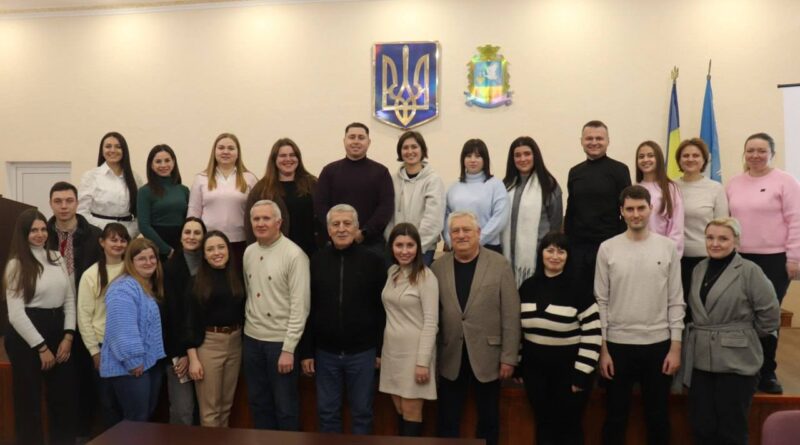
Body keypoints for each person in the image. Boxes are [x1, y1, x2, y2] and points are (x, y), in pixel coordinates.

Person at [594, 185, 685, 445]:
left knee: (658, 418)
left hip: (658, 345)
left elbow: (676, 300)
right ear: (621, 212)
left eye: (641, 208)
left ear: (651, 209)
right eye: (630, 209)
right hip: (617, 346)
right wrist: (603, 349)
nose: (636, 214)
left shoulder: (667, 248)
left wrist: (675, 348)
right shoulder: (607, 248)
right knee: (615, 418)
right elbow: (601, 301)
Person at [683, 218, 780, 445]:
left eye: (723, 238)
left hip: (737, 360)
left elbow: (770, 316)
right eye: (710, 237)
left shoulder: (750, 271)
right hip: (701, 360)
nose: (715, 243)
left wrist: (743, 335)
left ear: (736, 241)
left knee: (731, 430)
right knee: (701, 426)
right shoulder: (699, 269)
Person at [432, 211, 520, 445]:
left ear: (479, 233)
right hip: (450, 356)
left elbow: (511, 314)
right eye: (455, 231)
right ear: (449, 236)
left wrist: (509, 357)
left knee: (489, 420)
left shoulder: (499, 264)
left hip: (489, 357)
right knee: (447, 419)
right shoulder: (437, 268)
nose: (461, 235)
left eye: (466, 230)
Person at [299, 204, 387, 434]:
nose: (341, 229)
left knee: (362, 414)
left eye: (347, 224)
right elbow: (308, 308)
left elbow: (382, 309)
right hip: (325, 354)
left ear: (357, 228)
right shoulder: (316, 261)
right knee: (327, 414)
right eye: (335, 224)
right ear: (328, 230)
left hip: (363, 354)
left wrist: (380, 350)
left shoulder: (374, 262)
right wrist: (307, 351)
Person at [726, 132, 800, 394]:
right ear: (744, 153)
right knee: (741, 315)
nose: (755, 155)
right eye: (750, 150)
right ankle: (744, 368)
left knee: (767, 317)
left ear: (772, 154)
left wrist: (794, 257)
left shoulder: (785, 181)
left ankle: (767, 371)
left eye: (761, 151)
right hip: (740, 258)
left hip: (775, 259)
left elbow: (796, 220)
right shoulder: (734, 183)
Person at [518, 231, 601, 445]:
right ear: (541, 254)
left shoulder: (580, 289)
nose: (555, 256)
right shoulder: (527, 287)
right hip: (535, 375)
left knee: (568, 430)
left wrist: (581, 375)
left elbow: (592, 334)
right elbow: (518, 330)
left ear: (568, 256)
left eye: (561, 251)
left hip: (570, 377)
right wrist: (519, 364)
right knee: (544, 428)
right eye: (550, 250)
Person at [3, 209, 77, 445]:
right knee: (29, 401)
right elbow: (16, 314)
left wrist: (68, 336)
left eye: (43, 229)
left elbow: (69, 299)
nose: (40, 234)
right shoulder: (16, 265)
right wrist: (42, 347)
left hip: (58, 329)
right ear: (23, 233)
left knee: (63, 397)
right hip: (27, 336)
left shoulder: (57, 257)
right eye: (33, 230)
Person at [242, 200, 310, 431]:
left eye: (266, 218)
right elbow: (250, 294)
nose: (260, 223)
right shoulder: (249, 252)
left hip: (280, 344)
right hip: (252, 340)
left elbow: (300, 307)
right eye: (256, 219)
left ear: (279, 222)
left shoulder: (294, 255)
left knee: (285, 407)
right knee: (258, 403)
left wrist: (289, 349)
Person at [46, 181, 102, 438]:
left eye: (69, 200)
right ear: (51, 204)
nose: (64, 206)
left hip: (87, 315)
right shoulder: (42, 234)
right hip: (53, 315)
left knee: (86, 377)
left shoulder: (94, 235)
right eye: (58, 201)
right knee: (60, 379)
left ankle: (85, 431)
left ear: (77, 203)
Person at [380, 223, 439, 437]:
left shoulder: (426, 277)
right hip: (392, 353)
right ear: (391, 247)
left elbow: (431, 322)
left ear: (418, 248)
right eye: (399, 245)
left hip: (415, 355)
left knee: (411, 412)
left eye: (410, 245)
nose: (404, 251)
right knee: (399, 408)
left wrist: (423, 362)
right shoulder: (392, 272)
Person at [99, 238, 166, 421]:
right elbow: (121, 328)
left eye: (152, 257)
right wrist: (133, 360)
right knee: (136, 421)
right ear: (131, 261)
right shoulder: (123, 288)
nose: (148, 262)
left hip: (148, 363)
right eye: (142, 258)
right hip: (130, 368)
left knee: (144, 417)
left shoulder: (147, 285)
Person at [185, 231, 246, 427]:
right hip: (208, 345)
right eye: (210, 249)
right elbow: (189, 322)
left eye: (221, 247)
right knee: (210, 411)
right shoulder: (196, 281)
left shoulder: (237, 277)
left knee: (226, 407)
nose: (217, 252)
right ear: (203, 255)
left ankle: (222, 440)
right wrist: (193, 359)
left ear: (228, 250)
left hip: (235, 343)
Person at [564, 120, 631, 287]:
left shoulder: (620, 170)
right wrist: (567, 244)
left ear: (608, 141)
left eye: (599, 138)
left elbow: (627, 210)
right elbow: (571, 210)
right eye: (589, 138)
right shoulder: (575, 172)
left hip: (609, 245)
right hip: (578, 248)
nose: (594, 142)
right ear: (581, 141)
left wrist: (621, 243)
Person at [77, 223, 130, 427]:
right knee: (108, 404)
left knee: (129, 404)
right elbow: (84, 317)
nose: (118, 244)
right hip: (103, 346)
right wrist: (94, 351)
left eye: (123, 240)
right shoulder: (91, 275)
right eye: (113, 240)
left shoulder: (133, 269)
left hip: (130, 346)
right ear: (102, 242)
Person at [313, 122, 394, 258]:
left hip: (371, 245)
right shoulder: (329, 171)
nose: (356, 141)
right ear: (344, 141)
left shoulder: (381, 172)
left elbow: (386, 207)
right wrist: (338, 230)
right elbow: (320, 205)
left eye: (361, 138)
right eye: (352, 137)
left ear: (368, 142)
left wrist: (364, 232)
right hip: (336, 243)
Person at [674, 138, 729, 319]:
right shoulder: (671, 186)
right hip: (676, 259)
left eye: (696, 155)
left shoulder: (715, 188)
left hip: (706, 260)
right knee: (679, 311)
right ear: (679, 160)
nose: (690, 159)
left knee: (702, 310)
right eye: (685, 155)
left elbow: (723, 227)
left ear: (704, 160)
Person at [188, 132, 258, 269]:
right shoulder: (201, 179)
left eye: (231, 148)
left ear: (238, 153)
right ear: (214, 152)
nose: (225, 151)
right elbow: (193, 213)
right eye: (221, 148)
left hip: (240, 242)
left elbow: (256, 212)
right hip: (210, 243)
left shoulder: (249, 178)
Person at [501, 136, 563, 286]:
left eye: (527, 154)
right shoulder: (505, 186)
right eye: (517, 155)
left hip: (538, 257)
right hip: (507, 255)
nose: (523, 159)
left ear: (535, 156)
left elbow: (555, 225)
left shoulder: (549, 185)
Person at [162, 217, 206, 425]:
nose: (192, 237)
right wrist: (183, 353)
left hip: (206, 346)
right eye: (187, 232)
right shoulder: (169, 268)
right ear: (180, 237)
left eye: (197, 233)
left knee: (204, 410)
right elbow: (171, 314)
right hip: (177, 350)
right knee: (183, 410)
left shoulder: (210, 264)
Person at [245, 138, 321, 257]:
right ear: (274, 159)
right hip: (275, 255)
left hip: (311, 252)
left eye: (292, 155)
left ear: (298, 158)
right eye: (283, 156)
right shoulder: (261, 189)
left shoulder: (312, 184)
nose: (288, 159)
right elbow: (250, 226)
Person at [384, 131, 445, 266]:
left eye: (414, 147)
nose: (410, 151)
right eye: (405, 148)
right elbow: (388, 217)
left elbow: (433, 220)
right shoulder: (392, 180)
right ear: (400, 152)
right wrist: (394, 244)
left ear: (422, 150)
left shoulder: (433, 180)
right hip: (396, 250)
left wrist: (414, 247)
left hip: (423, 249)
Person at [443, 139, 509, 253]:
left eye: (478, 156)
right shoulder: (454, 187)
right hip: (458, 247)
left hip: (488, 247)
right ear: (463, 159)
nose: (473, 160)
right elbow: (445, 218)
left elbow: (500, 218)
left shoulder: (496, 185)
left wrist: (476, 241)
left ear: (485, 160)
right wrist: (450, 241)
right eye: (468, 156)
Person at [78, 131, 143, 237]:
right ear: (102, 150)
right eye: (108, 146)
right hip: (98, 235)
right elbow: (82, 212)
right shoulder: (90, 176)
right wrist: (106, 233)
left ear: (124, 150)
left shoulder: (135, 178)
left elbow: (140, 214)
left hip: (126, 237)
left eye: (118, 147)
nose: (112, 150)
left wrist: (128, 234)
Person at [137, 144, 190, 259]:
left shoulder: (184, 190)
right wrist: (166, 250)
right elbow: (144, 226)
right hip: (157, 247)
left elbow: (188, 220)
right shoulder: (144, 191)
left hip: (182, 245)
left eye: (167, 160)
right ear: (151, 165)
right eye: (158, 161)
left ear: (173, 162)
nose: (163, 165)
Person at [634, 140, 685, 256]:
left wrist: (670, 255)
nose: (645, 159)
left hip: (663, 254)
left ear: (659, 159)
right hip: (638, 253)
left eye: (650, 155)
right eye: (641, 157)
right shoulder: (634, 188)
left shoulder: (671, 188)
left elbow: (676, 228)